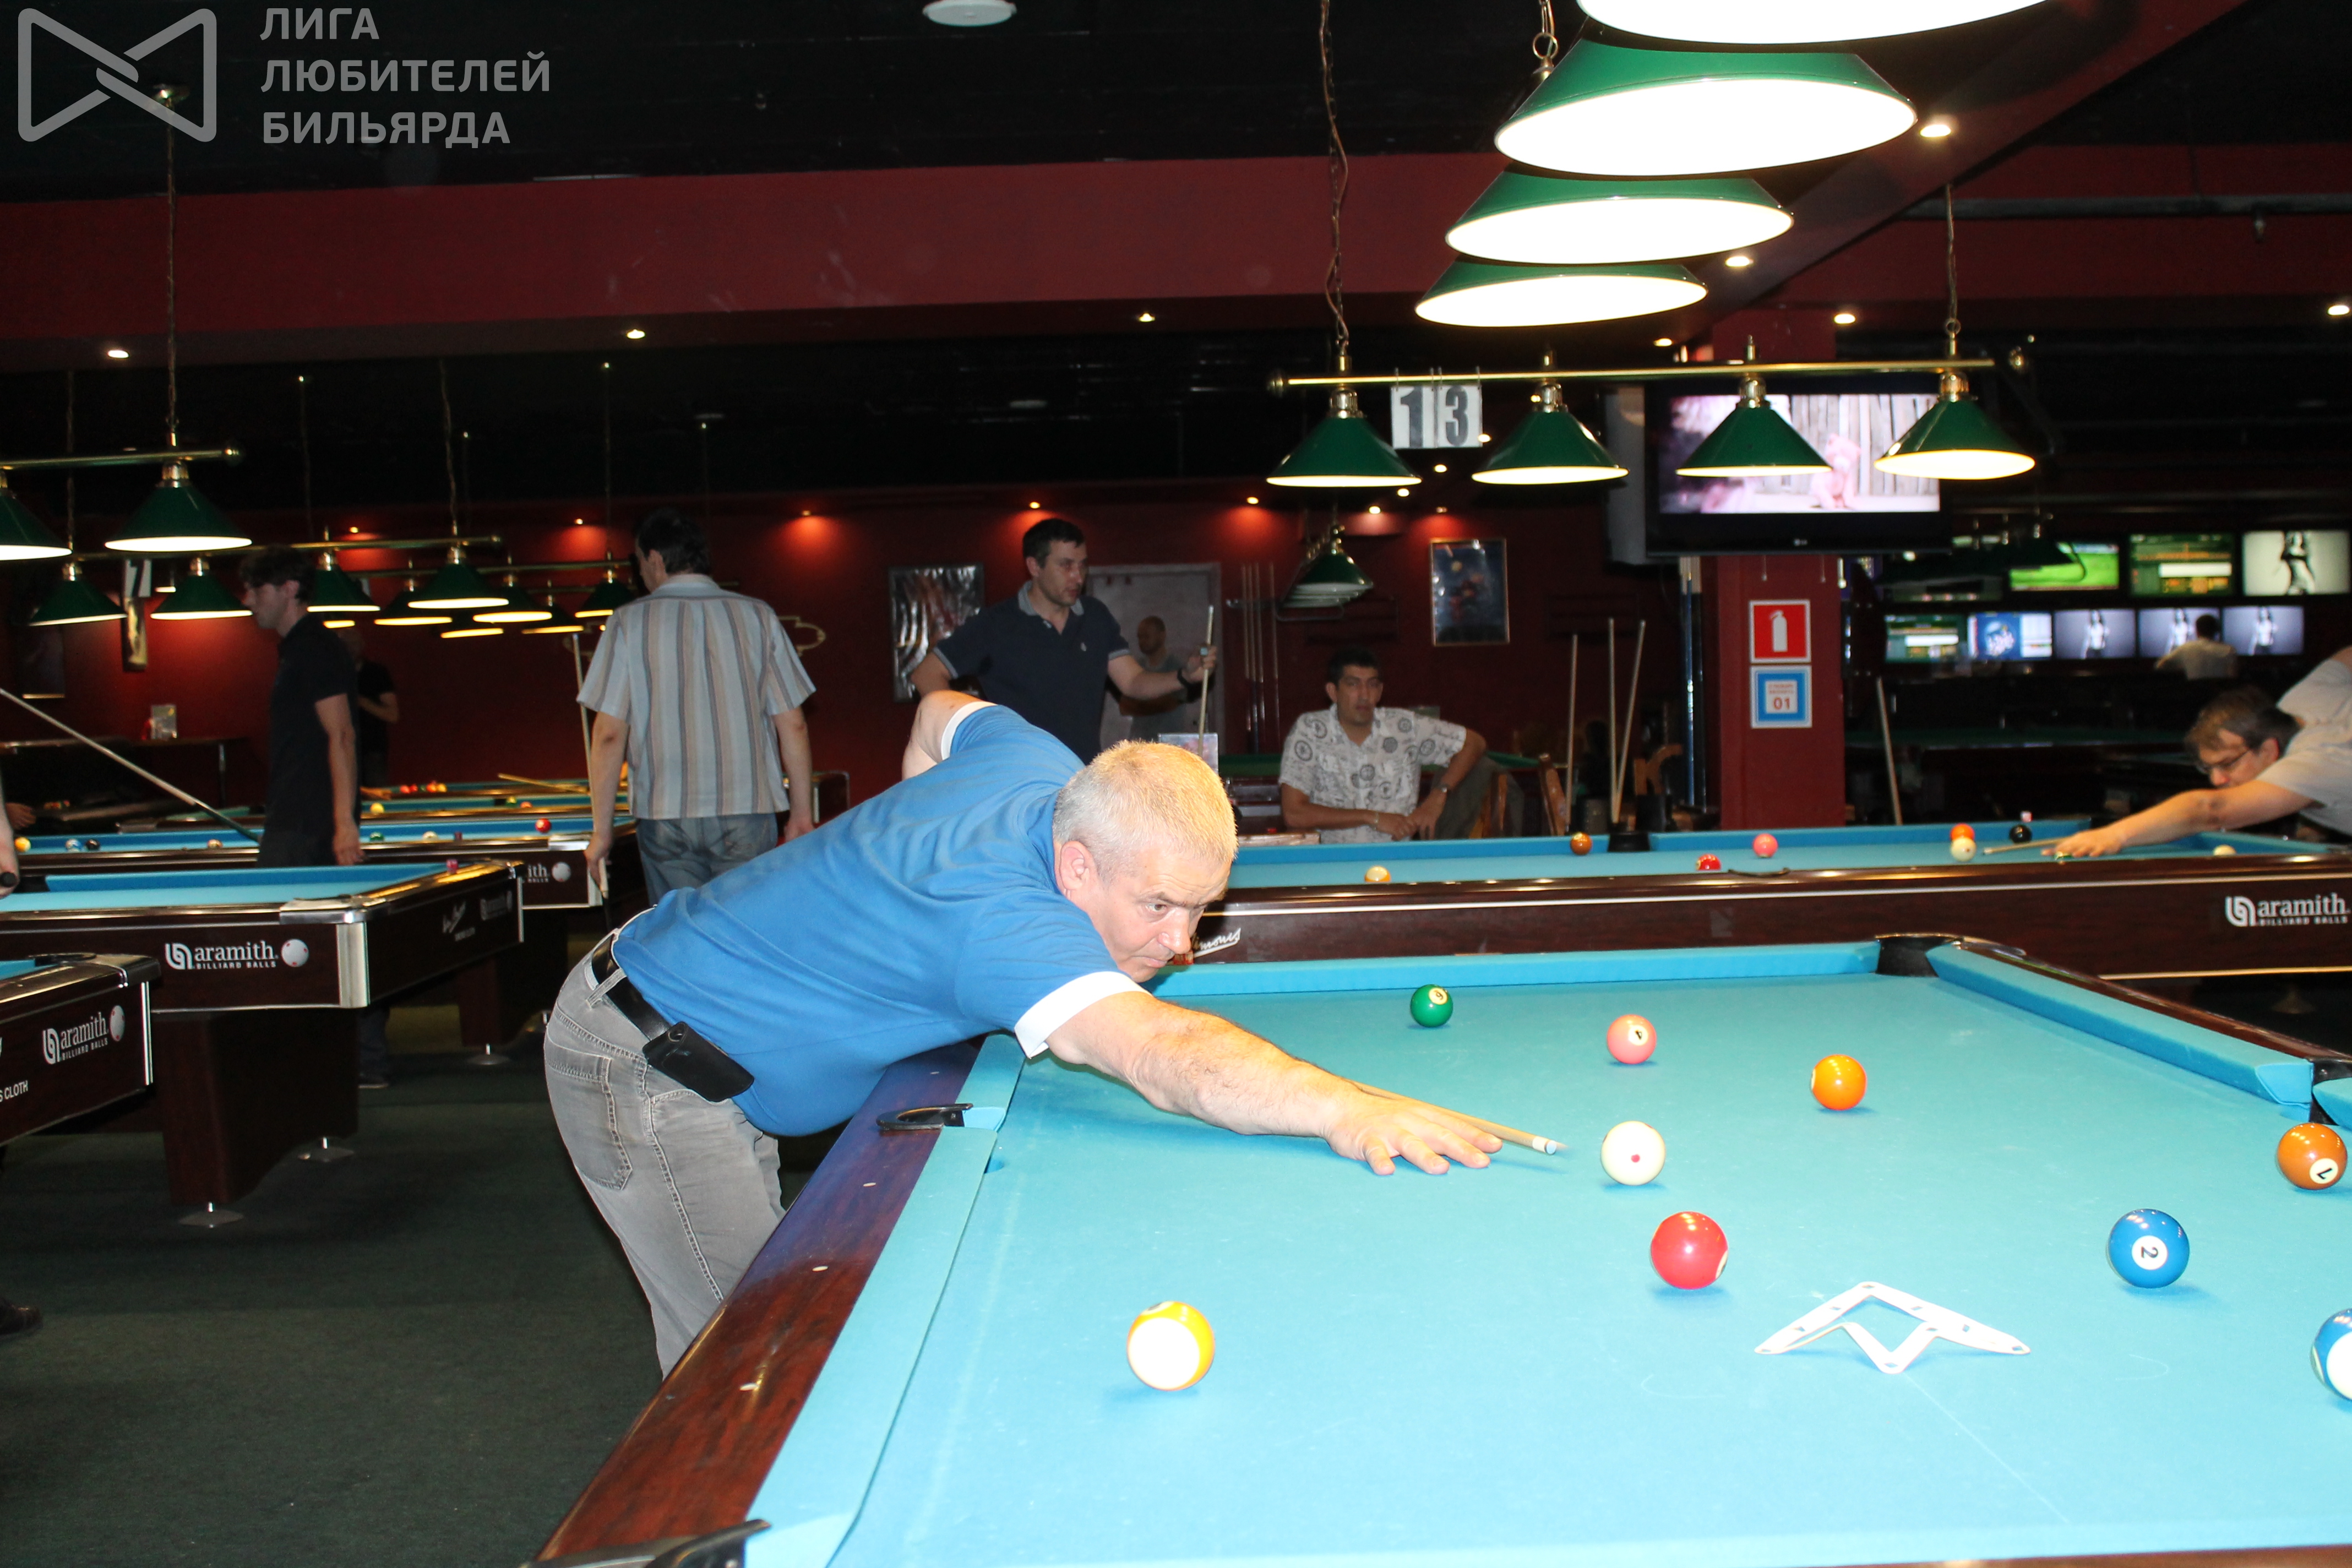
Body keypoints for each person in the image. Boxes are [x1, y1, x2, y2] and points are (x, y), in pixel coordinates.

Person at [542, 693, 1499, 1369]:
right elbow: (1163, 1056)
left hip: (697, 1017)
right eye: (1158, 905)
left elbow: (935, 712)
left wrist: (907, 850)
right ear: (1077, 866)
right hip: (647, 1066)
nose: (1180, 942)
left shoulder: (1038, 762)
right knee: (748, 1373)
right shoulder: (1010, 930)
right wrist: (1343, 1107)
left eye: (1200, 908)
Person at [578, 509, 819, 901]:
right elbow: (793, 725)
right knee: (743, 926)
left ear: (655, 558)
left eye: (638, 562)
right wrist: (802, 816)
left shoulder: (627, 622)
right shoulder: (758, 616)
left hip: (664, 813)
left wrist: (602, 833)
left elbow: (607, 735)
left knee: (680, 929)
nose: (639, 573)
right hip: (748, 808)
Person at [241, 548, 390, 1087]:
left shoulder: (315, 648)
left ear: (287, 589)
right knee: (315, 944)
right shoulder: (299, 649)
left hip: (309, 827)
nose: (247, 601)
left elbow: (342, 735)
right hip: (297, 819)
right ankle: (340, 1059)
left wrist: (344, 824)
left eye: (255, 590)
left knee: (310, 943)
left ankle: (361, 1060)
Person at [910, 518, 1215, 762]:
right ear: (1035, 567)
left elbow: (1133, 682)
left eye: (1082, 565)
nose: (1078, 577)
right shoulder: (996, 623)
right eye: (1066, 566)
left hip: (1082, 775)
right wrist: (967, 730)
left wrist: (1184, 677)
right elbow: (926, 675)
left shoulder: (1095, 617)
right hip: (1017, 776)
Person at [2046, 657, 2352, 859]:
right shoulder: (2303, 699)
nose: (2218, 780)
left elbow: (2211, 810)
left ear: (2270, 750)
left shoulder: (2316, 762)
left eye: (2228, 763)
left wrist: (2115, 834)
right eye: (2209, 768)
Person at [1277, 646, 1488, 843]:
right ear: (1333, 692)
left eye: (1372, 685)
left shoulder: (1405, 728)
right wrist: (1373, 818)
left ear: (1380, 692)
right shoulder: (1310, 730)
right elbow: (1294, 814)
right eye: (1353, 684)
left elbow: (1474, 743)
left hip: (1397, 858)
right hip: (1332, 859)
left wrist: (1438, 797)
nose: (1364, 695)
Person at [337, 625, 398, 788]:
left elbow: (393, 715)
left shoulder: (376, 673)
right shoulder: (332, 674)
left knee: (376, 797)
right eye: (345, 644)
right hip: (339, 749)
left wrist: (361, 701)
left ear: (362, 646)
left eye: (354, 644)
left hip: (372, 751)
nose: (350, 648)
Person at [1119, 616, 1193, 742]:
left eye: (1147, 636)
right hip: (1141, 742)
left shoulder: (1175, 668)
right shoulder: (1137, 668)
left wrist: (1140, 702)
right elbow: (1124, 707)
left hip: (1169, 742)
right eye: (1140, 637)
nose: (1143, 641)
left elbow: (1169, 704)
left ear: (1162, 635)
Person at [2155, 614, 2238, 679]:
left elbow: (2160, 665)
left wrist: (2184, 665)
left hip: (2194, 694)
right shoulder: (2229, 650)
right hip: (2220, 694)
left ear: (2197, 631)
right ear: (2216, 631)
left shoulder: (2186, 648)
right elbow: (2232, 677)